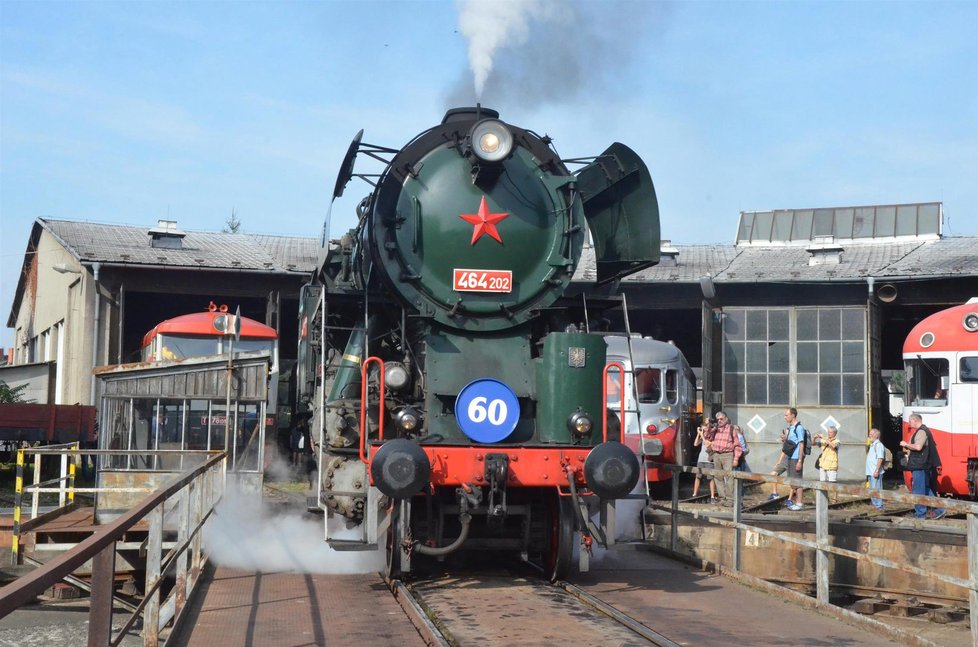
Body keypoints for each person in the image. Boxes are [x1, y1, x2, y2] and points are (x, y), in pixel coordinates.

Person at [901, 413, 946, 519]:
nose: (909, 422)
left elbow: (918, 447)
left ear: (915, 420)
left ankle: (920, 514)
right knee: (926, 489)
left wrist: (906, 444)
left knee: (918, 490)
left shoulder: (921, 431)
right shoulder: (924, 430)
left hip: (920, 465)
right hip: (922, 465)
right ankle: (939, 509)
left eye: (910, 420)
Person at [703, 411, 737, 505]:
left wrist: (736, 459)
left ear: (726, 418)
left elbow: (737, 445)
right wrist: (707, 427)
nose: (719, 421)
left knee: (729, 477)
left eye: (721, 419)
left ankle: (730, 500)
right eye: (718, 419)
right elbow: (707, 437)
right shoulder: (716, 428)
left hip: (728, 455)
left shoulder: (732, 429)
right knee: (718, 477)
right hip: (717, 455)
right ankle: (722, 499)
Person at [782, 408, 807, 511]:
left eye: (786, 415)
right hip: (790, 456)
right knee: (793, 480)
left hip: (796, 457)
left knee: (797, 480)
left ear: (793, 415)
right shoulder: (791, 427)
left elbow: (801, 444)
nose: (785, 417)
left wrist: (800, 461)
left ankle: (799, 503)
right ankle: (796, 501)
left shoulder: (799, 427)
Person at [813, 426, 840, 502]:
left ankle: (834, 499)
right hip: (823, 464)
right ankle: (824, 499)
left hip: (832, 465)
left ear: (834, 433)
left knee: (833, 483)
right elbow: (813, 444)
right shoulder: (823, 440)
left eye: (830, 432)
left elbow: (834, 446)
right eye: (828, 432)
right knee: (823, 483)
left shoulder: (837, 441)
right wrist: (815, 438)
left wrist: (823, 438)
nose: (829, 433)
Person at [692, 425, 718, 503]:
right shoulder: (702, 437)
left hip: (709, 461)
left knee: (711, 478)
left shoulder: (713, 438)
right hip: (701, 460)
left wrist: (701, 435)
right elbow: (695, 444)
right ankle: (694, 494)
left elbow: (707, 445)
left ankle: (712, 496)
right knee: (698, 477)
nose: (704, 430)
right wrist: (698, 434)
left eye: (705, 429)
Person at [865, 428, 886, 510]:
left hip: (875, 471)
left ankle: (879, 507)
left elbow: (880, 458)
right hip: (870, 471)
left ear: (876, 435)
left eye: (871, 434)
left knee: (876, 489)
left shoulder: (879, 445)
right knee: (872, 489)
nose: (869, 436)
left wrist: (876, 470)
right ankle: (876, 506)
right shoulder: (872, 444)